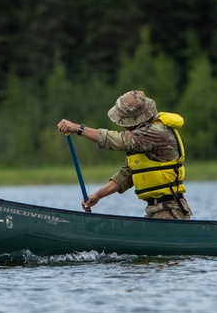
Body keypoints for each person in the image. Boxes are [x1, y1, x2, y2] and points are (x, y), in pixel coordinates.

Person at [57, 90, 192, 219]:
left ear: (135, 119)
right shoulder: (141, 140)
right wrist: (97, 196)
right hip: (155, 211)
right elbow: (125, 175)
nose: (123, 125)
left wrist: (79, 129)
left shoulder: (156, 132)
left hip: (171, 211)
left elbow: (119, 141)